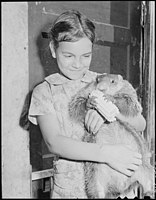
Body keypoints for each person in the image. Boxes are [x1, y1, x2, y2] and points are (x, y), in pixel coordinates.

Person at [28, 10, 146, 198]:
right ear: (53, 49)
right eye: (68, 56)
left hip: (113, 184)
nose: (77, 64)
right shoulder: (45, 91)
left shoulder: (106, 81)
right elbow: (54, 142)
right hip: (70, 190)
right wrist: (107, 154)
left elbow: (140, 123)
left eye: (86, 56)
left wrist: (109, 110)